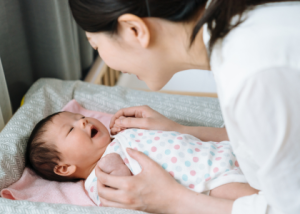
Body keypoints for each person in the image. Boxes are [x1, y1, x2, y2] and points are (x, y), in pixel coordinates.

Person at [68, 0, 300, 213]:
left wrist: (172, 199)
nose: (106, 61)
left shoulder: (252, 76)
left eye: (96, 46)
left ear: (134, 30)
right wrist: (181, 131)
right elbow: (269, 136)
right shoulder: (238, 33)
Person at [25, 111, 258, 206]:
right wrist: (113, 166)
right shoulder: (98, 180)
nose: (83, 122)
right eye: (71, 130)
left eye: (81, 117)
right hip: (210, 183)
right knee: (258, 199)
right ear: (65, 168)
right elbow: (126, 198)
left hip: (218, 150)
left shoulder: (120, 137)